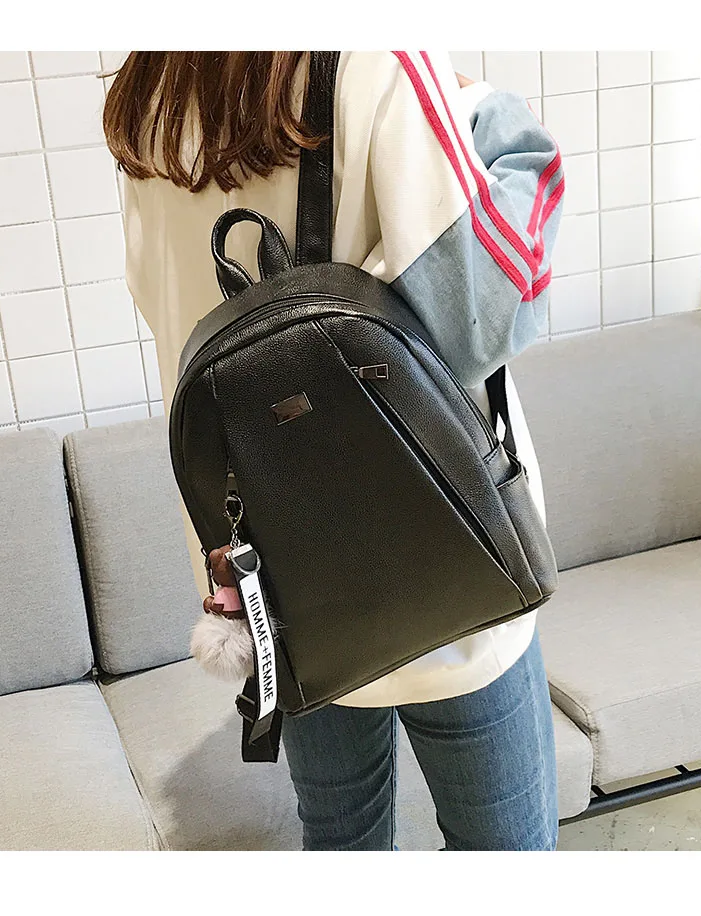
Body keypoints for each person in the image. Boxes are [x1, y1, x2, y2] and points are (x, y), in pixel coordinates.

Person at [103, 51, 564, 851]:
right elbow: (486, 312)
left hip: (280, 581)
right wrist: (490, 111)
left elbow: (168, 314)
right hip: (442, 566)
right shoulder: (376, 61)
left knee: (342, 843)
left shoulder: (153, 100)